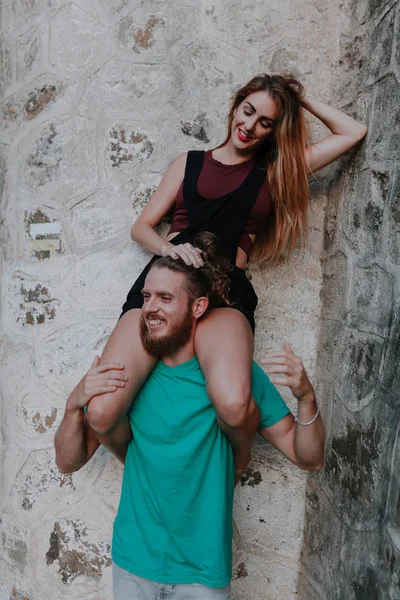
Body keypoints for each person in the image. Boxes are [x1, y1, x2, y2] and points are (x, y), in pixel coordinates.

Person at [83, 73, 365, 481]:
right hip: (164, 287)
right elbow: (142, 227)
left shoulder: (278, 171)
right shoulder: (189, 163)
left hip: (225, 296)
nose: (250, 126)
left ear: (273, 131)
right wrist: (167, 248)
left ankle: (238, 460)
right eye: (248, 111)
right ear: (235, 106)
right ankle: (147, 468)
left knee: (234, 405)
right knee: (104, 410)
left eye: (265, 122)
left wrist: (295, 99)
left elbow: (353, 131)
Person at [55, 232, 325, 599]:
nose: (150, 307)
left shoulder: (237, 376)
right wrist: (74, 405)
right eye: (147, 296)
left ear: (198, 308)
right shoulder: (126, 380)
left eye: (165, 298)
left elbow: (307, 457)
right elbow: (68, 461)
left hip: (202, 572)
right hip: (133, 563)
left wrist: (306, 398)